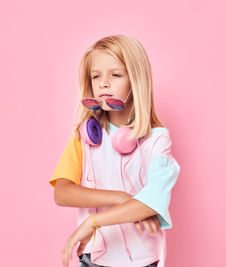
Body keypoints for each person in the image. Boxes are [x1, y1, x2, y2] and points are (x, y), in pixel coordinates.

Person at [49, 35, 180, 267]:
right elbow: (62, 193)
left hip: (142, 261)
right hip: (93, 258)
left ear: (136, 81)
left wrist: (94, 222)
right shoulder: (84, 135)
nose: (103, 83)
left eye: (115, 75)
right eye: (96, 76)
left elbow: (154, 201)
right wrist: (121, 199)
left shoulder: (157, 139)